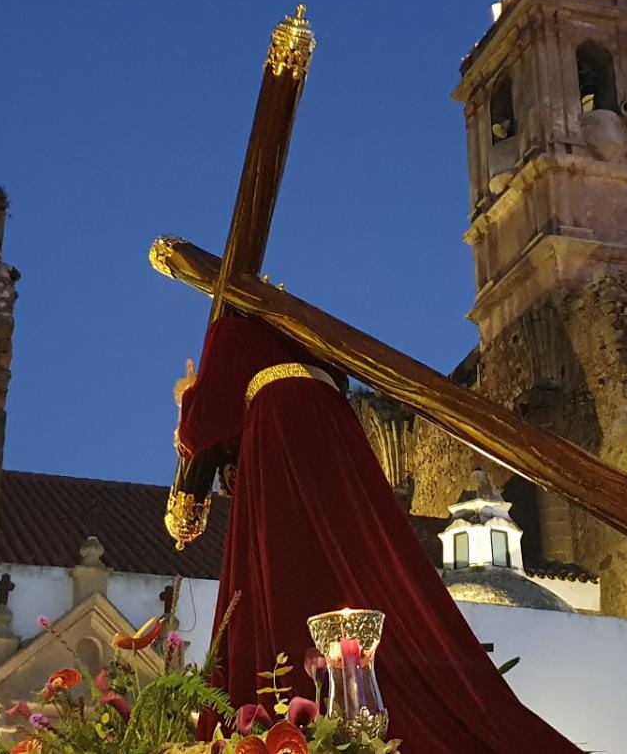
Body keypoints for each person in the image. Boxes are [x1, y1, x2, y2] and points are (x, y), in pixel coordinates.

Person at [175, 316, 580, 753]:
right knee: (361, 559)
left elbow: (205, 425)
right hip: (337, 438)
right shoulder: (299, 324)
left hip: (278, 438)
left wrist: (188, 397)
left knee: (284, 571)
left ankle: (290, 722)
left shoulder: (232, 325)